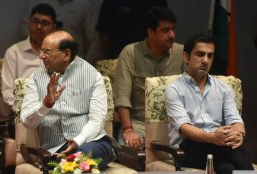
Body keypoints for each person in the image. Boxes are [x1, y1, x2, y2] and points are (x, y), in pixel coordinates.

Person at [20, 30, 114, 169]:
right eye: (41, 51)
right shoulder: (35, 79)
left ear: (66, 54)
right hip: (56, 150)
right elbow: (27, 122)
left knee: (83, 157)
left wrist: (77, 141)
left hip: (91, 143)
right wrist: (47, 103)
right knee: (69, 163)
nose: (41, 56)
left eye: (47, 52)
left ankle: (72, 165)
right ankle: (71, 165)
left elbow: (97, 120)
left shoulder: (93, 76)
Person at [165, 34, 253, 173]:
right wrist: (211, 138)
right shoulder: (174, 89)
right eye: (200, 54)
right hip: (187, 149)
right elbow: (184, 127)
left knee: (226, 168)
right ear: (186, 57)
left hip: (219, 145)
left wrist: (239, 135)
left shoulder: (224, 88)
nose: (205, 60)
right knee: (228, 147)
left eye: (210, 56)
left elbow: (235, 120)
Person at [113, 7, 184, 149]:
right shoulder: (131, 52)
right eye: (165, 30)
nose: (172, 35)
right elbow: (121, 97)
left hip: (174, 123)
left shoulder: (181, 53)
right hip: (139, 123)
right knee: (129, 148)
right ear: (150, 32)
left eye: (173, 29)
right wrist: (128, 130)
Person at [1, 3, 57, 107]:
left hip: (54, 112)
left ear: (54, 27)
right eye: (35, 21)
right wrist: (31, 112)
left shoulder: (59, 54)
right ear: (29, 23)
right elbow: (8, 93)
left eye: (45, 23)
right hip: (24, 113)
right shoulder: (14, 52)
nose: (39, 27)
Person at [20, 0, 102, 65]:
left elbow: (95, 40)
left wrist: (86, 65)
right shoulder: (37, 1)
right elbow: (25, 27)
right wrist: (38, 49)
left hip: (73, 64)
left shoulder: (84, 5)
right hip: (35, 59)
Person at [96, 0, 168, 59]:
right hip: (119, 58)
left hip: (152, 58)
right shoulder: (111, 2)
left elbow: (166, 27)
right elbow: (103, 32)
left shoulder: (158, 2)